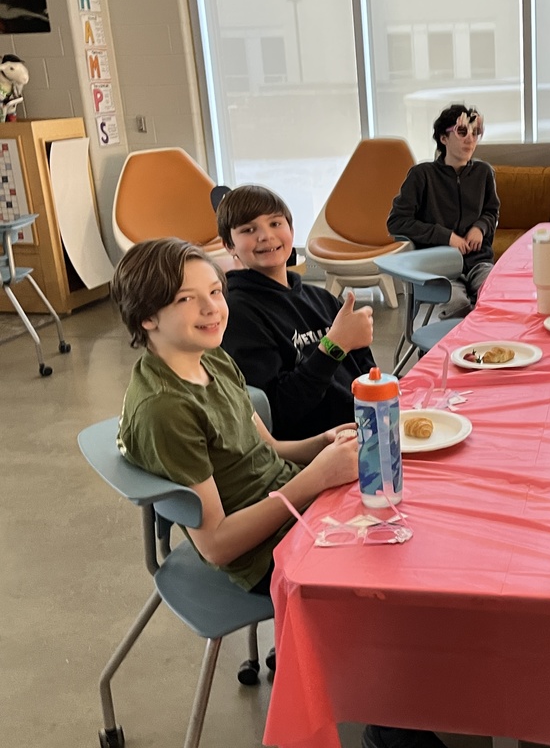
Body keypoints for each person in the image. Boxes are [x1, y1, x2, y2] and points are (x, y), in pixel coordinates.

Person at [111, 238, 447, 748]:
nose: (212, 308)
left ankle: (417, 692)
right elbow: (219, 545)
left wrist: (322, 443)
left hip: (292, 505)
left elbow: (265, 447)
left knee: (426, 516)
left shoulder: (212, 359)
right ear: (146, 318)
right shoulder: (166, 409)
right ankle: (388, 721)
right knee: (397, 581)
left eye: (216, 291)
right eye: (186, 299)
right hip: (260, 552)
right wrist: (315, 479)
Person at [216, 184, 376, 440]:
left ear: (291, 230)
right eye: (248, 229)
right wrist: (334, 345)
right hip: (317, 450)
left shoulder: (321, 298)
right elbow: (278, 412)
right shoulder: (237, 313)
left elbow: (367, 371)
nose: (266, 236)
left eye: (275, 223)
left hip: (366, 429)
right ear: (229, 245)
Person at [387, 104, 500, 319]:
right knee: (458, 306)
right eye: (462, 131)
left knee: (496, 298)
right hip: (440, 266)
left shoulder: (484, 173)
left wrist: (481, 226)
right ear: (443, 138)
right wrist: (445, 236)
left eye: (475, 133)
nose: (470, 139)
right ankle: (446, 350)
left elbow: (491, 211)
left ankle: (487, 351)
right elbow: (397, 222)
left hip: (479, 262)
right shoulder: (422, 176)